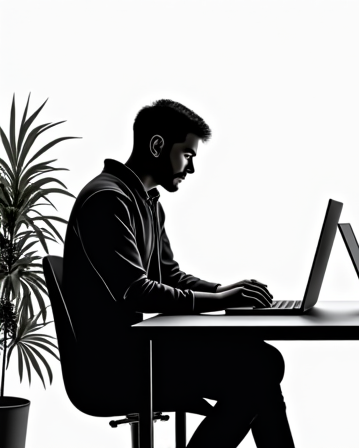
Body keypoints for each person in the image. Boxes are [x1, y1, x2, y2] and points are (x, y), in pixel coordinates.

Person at [62, 99, 295, 448]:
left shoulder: (145, 202)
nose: (192, 168)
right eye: (187, 154)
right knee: (260, 366)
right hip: (113, 365)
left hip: (140, 349)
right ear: (158, 146)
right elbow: (138, 291)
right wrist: (219, 300)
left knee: (262, 364)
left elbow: (169, 277)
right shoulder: (107, 200)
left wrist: (226, 290)